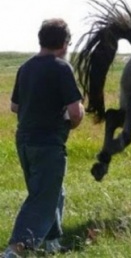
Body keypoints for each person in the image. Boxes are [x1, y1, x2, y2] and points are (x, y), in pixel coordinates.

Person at [3, 18, 84, 257]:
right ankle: (15, 250)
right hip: (48, 143)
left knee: (53, 191)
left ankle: (53, 243)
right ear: (64, 43)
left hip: (24, 141)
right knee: (42, 198)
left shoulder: (25, 68)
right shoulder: (61, 67)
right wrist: (72, 122)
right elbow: (76, 112)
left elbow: (15, 107)